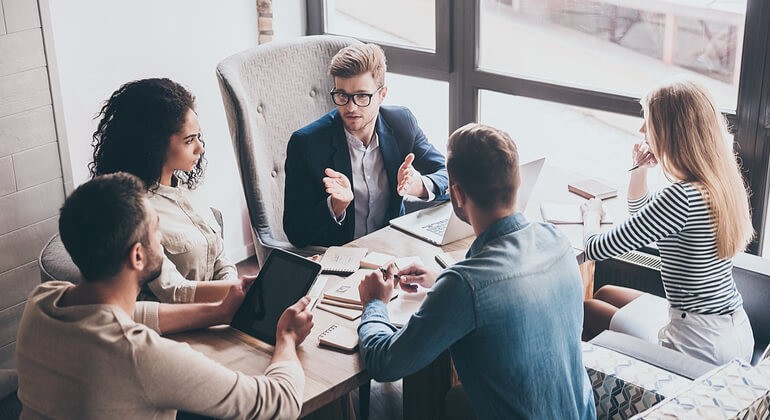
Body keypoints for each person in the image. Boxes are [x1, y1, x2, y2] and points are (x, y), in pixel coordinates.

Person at [16, 173, 313, 418]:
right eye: (156, 231)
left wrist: (220, 311)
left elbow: (132, 314)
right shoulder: (140, 355)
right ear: (138, 256)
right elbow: (278, 404)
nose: (159, 238)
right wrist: (285, 337)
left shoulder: (42, 301)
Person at [356, 124, 595, 419]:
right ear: (517, 180)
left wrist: (374, 303)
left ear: (457, 194)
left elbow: (385, 364)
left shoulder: (465, 286)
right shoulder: (556, 240)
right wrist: (443, 279)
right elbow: (502, 284)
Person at [581, 79, 755, 365]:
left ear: (671, 132)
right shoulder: (720, 183)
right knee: (605, 292)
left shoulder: (681, 197)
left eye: (648, 122)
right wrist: (640, 169)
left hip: (698, 344)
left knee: (588, 308)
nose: (641, 130)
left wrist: (591, 215)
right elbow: (645, 218)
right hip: (733, 330)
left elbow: (595, 249)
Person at [90, 78, 241, 305]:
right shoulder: (136, 212)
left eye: (198, 136)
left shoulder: (185, 188)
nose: (200, 148)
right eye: (189, 140)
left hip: (223, 309)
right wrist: (239, 291)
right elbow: (173, 290)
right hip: (181, 323)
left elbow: (220, 257)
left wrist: (235, 292)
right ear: (154, 144)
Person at [283, 43, 448, 247]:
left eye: (362, 96)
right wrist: (334, 206)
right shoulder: (306, 144)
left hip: (391, 251)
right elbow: (295, 231)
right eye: (342, 95)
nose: (351, 107)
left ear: (382, 94)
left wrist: (419, 185)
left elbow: (447, 173)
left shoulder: (402, 123)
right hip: (338, 258)